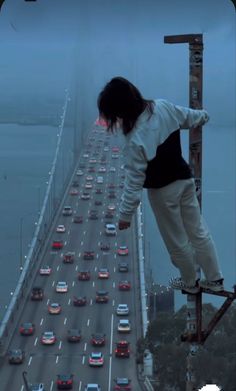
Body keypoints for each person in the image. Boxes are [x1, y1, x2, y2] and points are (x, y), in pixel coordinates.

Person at [97, 76, 224, 294]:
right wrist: (203, 117)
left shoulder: (135, 139)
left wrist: (125, 216)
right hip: (185, 181)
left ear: (120, 110)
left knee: (176, 240)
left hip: (163, 192)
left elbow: (134, 182)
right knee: (198, 232)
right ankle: (215, 279)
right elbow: (189, 117)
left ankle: (190, 282)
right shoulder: (162, 107)